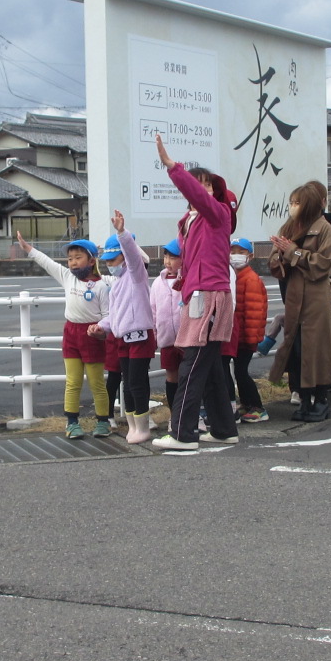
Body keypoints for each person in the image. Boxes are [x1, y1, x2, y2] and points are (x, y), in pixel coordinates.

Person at [151, 134, 240, 452]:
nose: (199, 189)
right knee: (211, 365)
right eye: (196, 183)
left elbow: (199, 197)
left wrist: (173, 167)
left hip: (209, 297)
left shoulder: (217, 214)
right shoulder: (190, 222)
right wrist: (182, 281)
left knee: (191, 360)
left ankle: (182, 432)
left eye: (206, 184)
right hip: (203, 294)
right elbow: (199, 262)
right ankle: (223, 428)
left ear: (215, 192)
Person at [18, 228, 112, 438]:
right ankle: (72, 423)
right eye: (70, 259)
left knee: (97, 382)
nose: (73, 262)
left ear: (91, 261)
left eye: (78, 258)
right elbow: (47, 262)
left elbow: (107, 315)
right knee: (73, 381)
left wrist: (101, 330)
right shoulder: (67, 276)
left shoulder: (102, 286)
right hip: (71, 333)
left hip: (92, 335)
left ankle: (103, 422)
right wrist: (28, 249)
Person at [269, 179, 331, 421]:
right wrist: (280, 255)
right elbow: (273, 265)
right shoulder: (288, 228)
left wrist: (293, 252)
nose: (293, 206)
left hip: (316, 297)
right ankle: (302, 397)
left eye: (297, 202)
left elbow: (323, 264)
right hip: (293, 295)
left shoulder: (324, 228)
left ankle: (320, 399)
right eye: (291, 202)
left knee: (317, 348)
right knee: (297, 348)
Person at [94, 211, 156, 444]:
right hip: (123, 339)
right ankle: (133, 426)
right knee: (127, 384)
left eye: (113, 260)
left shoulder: (136, 276)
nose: (110, 265)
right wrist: (101, 326)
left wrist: (122, 233)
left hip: (139, 337)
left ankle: (142, 426)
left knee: (137, 383)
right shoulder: (118, 284)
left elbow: (133, 256)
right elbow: (115, 315)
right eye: (107, 262)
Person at [229, 236, 269, 422]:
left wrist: (250, 337)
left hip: (245, 337)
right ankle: (247, 404)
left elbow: (255, 311)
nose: (236, 255)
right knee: (238, 371)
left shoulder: (250, 279)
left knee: (241, 372)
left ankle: (258, 407)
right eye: (233, 251)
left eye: (241, 252)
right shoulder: (235, 276)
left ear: (250, 256)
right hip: (238, 336)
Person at [151, 238, 184, 417]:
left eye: (173, 257)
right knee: (171, 376)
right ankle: (175, 414)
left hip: (187, 339)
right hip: (167, 340)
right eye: (166, 257)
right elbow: (153, 310)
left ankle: (193, 414)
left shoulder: (188, 279)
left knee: (188, 377)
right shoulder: (158, 283)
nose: (167, 261)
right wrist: (155, 335)